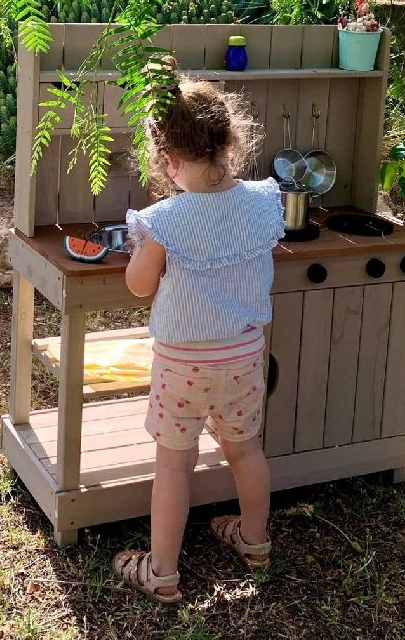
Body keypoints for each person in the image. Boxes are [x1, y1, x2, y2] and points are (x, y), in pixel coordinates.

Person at [112, 59, 284, 604]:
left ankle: (161, 572)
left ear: (168, 159)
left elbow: (140, 287)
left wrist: (140, 249)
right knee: (246, 452)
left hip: (184, 366)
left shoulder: (163, 220)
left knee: (173, 465)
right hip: (244, 359)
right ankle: (255, 541)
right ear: (227, 142)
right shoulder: (262, 202)